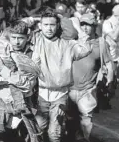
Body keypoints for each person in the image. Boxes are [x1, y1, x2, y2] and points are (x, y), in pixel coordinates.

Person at [30, 11, 92, 142]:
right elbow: (13, 31)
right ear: (40, 25)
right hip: (40, 94)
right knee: (39, 128)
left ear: (58, 25)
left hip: (60, 95)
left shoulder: (67, 44)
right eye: (45, 24)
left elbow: (86, 49)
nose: (49, 28)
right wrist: (32, 18)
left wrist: (79, 29)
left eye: (52, 24)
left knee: (54, 132)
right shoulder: (35, 40)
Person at [0, 21, 41, 142]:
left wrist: (1, 69)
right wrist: (12, 77)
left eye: (21, 38)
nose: (16, 42)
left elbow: (26, 85)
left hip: (23, 107)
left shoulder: (33, 56)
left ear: (28, 38)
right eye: (14, 38)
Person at [69, 13, 114, 142]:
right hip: (69, 89)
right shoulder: (73, 40)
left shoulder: (101, 43)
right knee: (70, 121)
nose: (85, 28)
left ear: (95, 26)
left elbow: (109, 63)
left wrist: (110, 81)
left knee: (86, 120)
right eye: (82, 24)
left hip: (88, 90)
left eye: (88, 25)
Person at [102, 4, 119, 79]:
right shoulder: (107, 23)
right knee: (108, 79)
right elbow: (114, 37)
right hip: (107, 56)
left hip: (116, 56)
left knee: (114, 78)